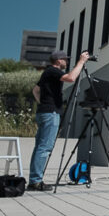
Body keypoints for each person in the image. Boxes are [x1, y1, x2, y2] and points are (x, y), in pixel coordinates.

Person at [28, 50, 89, 191]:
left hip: (45, 111)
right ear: (58, 61)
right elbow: (71, 78)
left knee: (40, 147)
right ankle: (35, 181)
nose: (66, 62)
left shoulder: (47, 73)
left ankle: (34, 179)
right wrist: (81, 62)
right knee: (45, 147)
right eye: (65, 60)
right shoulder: (53, 71)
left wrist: (43, 103)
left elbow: (35, 90)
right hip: (50, 113)